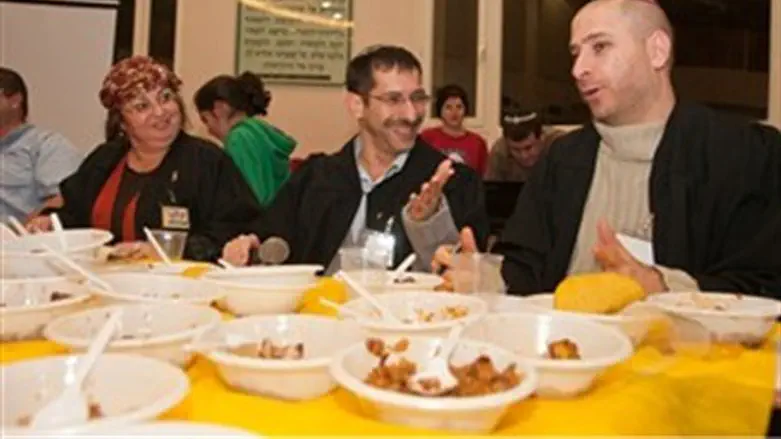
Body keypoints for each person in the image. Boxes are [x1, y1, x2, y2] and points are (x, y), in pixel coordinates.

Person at [434, 0, 781, 296]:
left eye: (599, 47)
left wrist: (661, 288)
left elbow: (761, 287)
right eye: (575, 53)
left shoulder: (741, 156)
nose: (578, 69)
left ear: (657, 51)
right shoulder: (563, 160)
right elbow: (527, 271)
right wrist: (485, 277)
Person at [222, 45, 489, 272]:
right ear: (357, 105)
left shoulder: (454, 184)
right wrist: (249, 247)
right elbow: (268, 238)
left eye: (418, 98)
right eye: (393, 99)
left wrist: (433, 228)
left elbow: (463, 275)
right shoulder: (316, 179)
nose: (410, 114)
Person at [26, 56, 262, 261]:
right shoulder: (104, 159)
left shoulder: (207, 161)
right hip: (103, 283)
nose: (160, 111)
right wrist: (50, 223)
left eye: (165, 97)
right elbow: (75, 216)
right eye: (142, 106)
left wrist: (165, 251)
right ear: (121, 122)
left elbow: (235, 231)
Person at [194, 72, 297, 207]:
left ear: (219, 108)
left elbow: (249, 200)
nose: (209, 130)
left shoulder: (239, 139)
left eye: (205, 119)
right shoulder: (260, 132)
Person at [0, 67, 82, 224]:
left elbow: (65, 200)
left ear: (15, 101)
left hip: (20, 243)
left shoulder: (46, 145)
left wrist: (24, 232)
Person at [420, 84, 488, 175]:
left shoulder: (478, 142)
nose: (454, 112)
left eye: (459, 107)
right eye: (448, 107)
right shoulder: (427, 138)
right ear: (440, 110)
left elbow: (482, 178)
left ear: (465, 110)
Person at [485, 107, 564, 182]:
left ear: (541, 137)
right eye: (515, 150)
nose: (524, 156)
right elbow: (491, 190)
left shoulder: (561, 145)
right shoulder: (499, 151)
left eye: (528, 148)